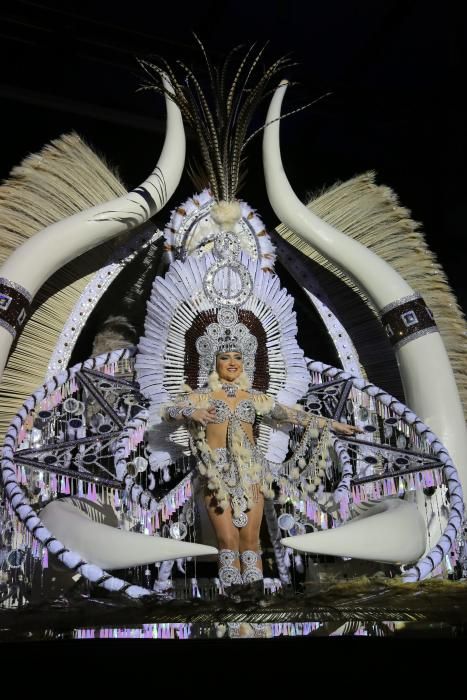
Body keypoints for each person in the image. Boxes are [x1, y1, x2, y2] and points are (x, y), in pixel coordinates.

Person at [162, 342, 361, 594]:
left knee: (250, 541)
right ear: (215, 364)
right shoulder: (202, 396)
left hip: (251, 474)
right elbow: (169, 412)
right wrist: (192, 412)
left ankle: (255, 602)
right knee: (227, 540)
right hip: (216, 476)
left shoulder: (255, 397)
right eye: (225, 357)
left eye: (237, 357)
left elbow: (292, 415)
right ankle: (234, 601)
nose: (232, 362)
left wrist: (333, 425)